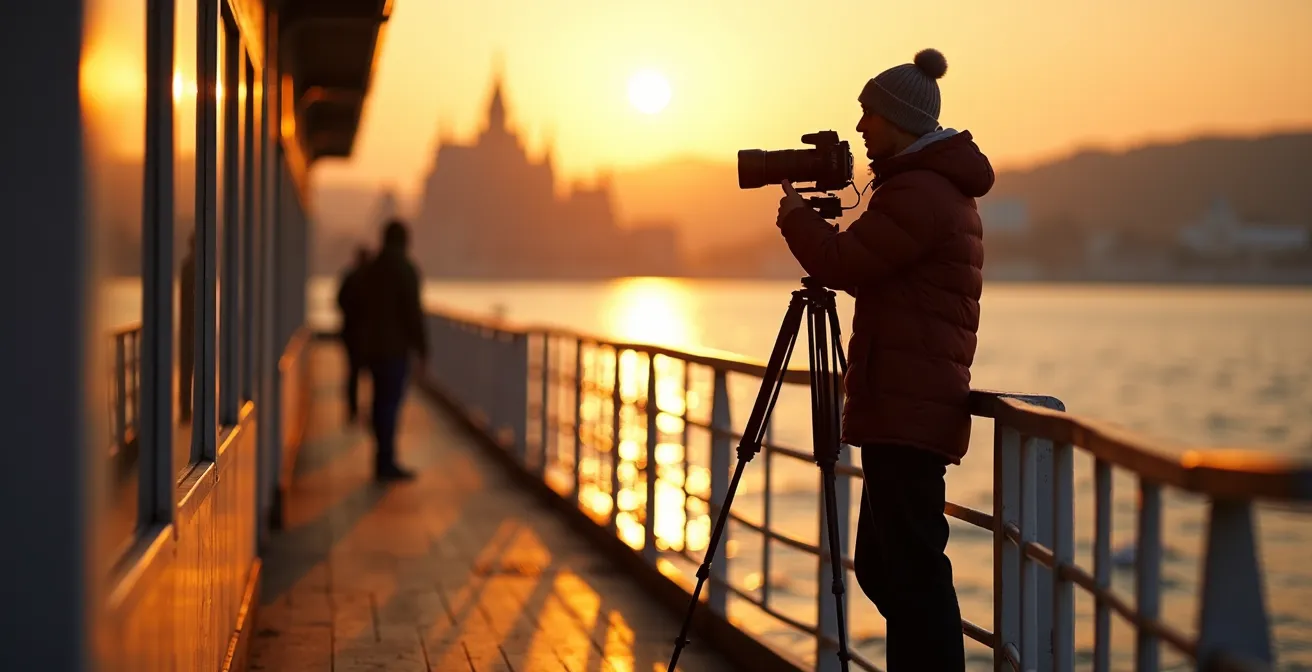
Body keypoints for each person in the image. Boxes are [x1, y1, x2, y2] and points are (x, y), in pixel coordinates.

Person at [775, 48, 991, 672]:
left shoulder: (921, 192)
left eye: (869, 114)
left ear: (898, 120)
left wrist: (795, 220)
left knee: (911, 572)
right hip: (904, 404)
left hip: (908, 408)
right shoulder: (925, 187)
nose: (862, 129)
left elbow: (845, 263)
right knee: (887, 566)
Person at [356, 219, 427, 482]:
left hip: (372, 347)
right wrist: (422, 349)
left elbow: (358, 306)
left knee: (379, 402)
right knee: (390, 404)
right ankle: (386, 462)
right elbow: (413, 314)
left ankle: (381, 458)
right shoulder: (406, 270)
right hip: (395, 349)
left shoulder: (371, 269)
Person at [336, 246, 372, 423]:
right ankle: (369, 411)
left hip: (351, 332)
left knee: (353, 372)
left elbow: (339, 300)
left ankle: (352, 410)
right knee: (371, 373)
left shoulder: (350, 277)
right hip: (370, 335)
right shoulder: (374, 281)